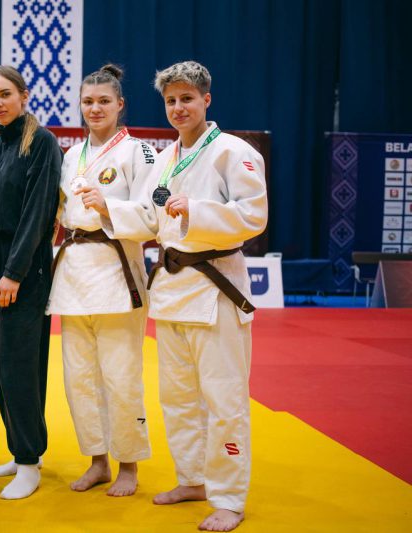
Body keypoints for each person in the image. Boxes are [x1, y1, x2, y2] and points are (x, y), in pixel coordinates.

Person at [106, 60, 267, 531]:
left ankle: (229, 497)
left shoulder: (234, 152)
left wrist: (196, 210)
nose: (178, 108)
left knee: (224, 399)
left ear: (206, 100)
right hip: (173, 288)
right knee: (176, 397)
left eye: (187, 99)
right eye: (171, 101)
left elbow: (253, 216)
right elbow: (150, 218)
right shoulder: (166, 158)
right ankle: (193, 479)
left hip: (216, 287)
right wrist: (106, 210)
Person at [47, 64, 156, 497]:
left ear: (120, 104)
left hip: (116, 271)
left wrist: (109, 207)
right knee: (80, 376)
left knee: (121, 375)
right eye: (88, 101)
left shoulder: (139, 152)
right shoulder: (72, 154)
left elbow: (152, 216)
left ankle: (129, 463)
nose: (95, 108)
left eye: (104, 101)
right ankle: (97, 460)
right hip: (73, 270)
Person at [0, 65, 62, 499]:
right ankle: (20, 447)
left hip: (24, 264)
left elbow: (38, 213)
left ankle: (29, 461)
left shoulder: (42, 142)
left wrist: (14, 272)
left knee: (19, 363)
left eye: (5, 95)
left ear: (24, 96)